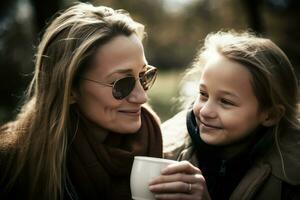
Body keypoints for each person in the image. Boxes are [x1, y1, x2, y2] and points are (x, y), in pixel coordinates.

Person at [0, 3, 203, 200]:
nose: (142, 97)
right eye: (121, 84)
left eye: (144, 76)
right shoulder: (12, 165)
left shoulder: (168, 155)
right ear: (70, 89)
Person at [149, 31, 300, 199]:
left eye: (226, 102)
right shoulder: (162, 148)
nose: (205, 111)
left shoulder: (291, 176)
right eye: (203, 94)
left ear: (270, 115)